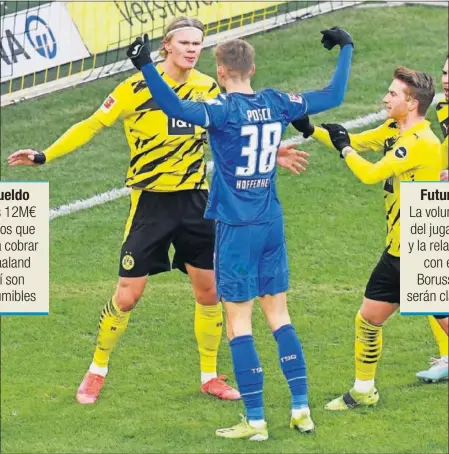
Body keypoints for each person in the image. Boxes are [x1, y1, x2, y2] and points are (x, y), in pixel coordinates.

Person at [7, 16, 306, 405]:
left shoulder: (208, 88)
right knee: (128, 296)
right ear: (166, 46)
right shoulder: (133, 88)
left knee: (210, 293)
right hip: (150, 204)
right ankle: (97, 369)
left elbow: (233, 130)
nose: (192, 49)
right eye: (185, 43)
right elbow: (91, 124)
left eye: (198, 44)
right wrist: (44, 155)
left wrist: (271, 152)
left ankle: (210, 375)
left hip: (197, 202)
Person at [127, 26, 354, 439]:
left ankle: (255, 421)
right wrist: (347, 48)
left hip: (235, 229)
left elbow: (174, 107)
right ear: (253, 68)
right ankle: (301, 409)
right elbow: (333, 95)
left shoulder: (221, 110)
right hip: (270, 223)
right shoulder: (276, 102)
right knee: (280, 316)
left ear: (220, 69)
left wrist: (145, 66)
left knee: (239, 323)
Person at [293, 67, 444, 410]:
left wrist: (344, 148)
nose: (385, 98)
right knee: (369, 318)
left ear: (411, 102)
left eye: (393, 94)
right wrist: (311, 130)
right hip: (398, 247)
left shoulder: (421, 142)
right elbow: (357, 141)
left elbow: (370, 172)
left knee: (444, 319)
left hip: (424, 242)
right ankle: (363, 390)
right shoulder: (394, 128)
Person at [416, 54, 448, 382]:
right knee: (429, 283)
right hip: (437, 199)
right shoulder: (442, 108)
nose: (447, 80)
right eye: (444, 73)